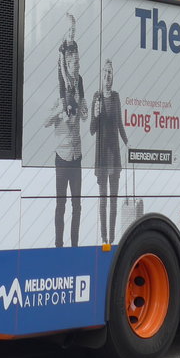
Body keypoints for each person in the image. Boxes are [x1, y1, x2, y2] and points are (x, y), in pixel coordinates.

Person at [45, 13, 87, 247]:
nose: (77, 65)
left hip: (77, 156)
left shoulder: (79, 80)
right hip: (62, 157)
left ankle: (75, 246)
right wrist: (60, 111)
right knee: (61, 203)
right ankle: (59, 245)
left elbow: (85, 113)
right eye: (75, 64)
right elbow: (46, 121)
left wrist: (83, 109)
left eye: (79, 62)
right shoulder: (62, 62)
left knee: (77, 205)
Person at [90, 59, 128, 244]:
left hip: (114, 155)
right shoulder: (96, 97)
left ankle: (112, 238)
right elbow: (91, 129)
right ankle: (104, 236)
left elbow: (119, 123)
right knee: (103, 199)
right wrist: (96, 116)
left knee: (113, 199)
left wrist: (128, 142)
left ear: (113, 76)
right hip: (101, 156)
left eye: (110, 72)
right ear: (101, 75)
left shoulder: (116, 97)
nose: (107, 76)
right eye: (105, 72)